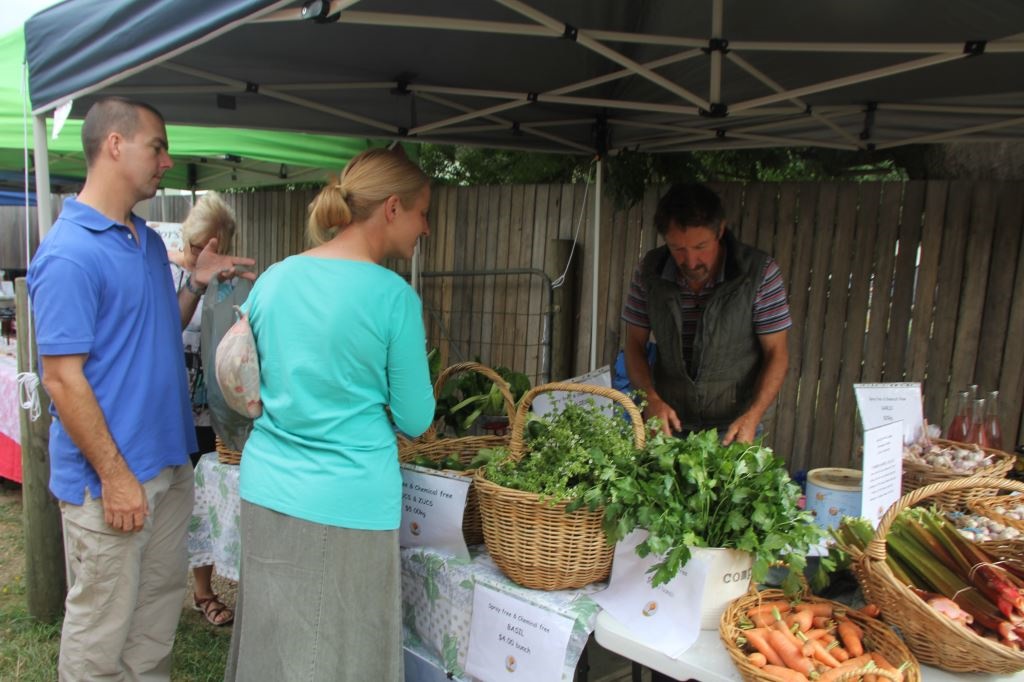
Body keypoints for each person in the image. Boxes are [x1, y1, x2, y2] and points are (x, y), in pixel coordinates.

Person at [27, 97, 254, 680]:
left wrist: (196, 287)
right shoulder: (69, 253)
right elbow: (61, 377)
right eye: (157, 145)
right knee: (101, 632)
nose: (166, 160)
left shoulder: (147, 243)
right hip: (113, 483)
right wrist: (115, 476)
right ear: (114, 145)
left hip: (168, 466)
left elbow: (157, 332)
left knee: (152, 626)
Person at [224, 148, 436, 682]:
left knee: (273, 651)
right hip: (351, 501)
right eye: (422, 213)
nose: (426, 228)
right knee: (344, 655)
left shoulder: (274, 278)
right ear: (392, 209)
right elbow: (416, 418)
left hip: (268, 487)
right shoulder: (395, 299)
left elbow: (248, 373)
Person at [621, 183, 791, 445]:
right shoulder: (649, 272)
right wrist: (651, 400)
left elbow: (776, 353)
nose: (690, 261)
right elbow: (633, 344)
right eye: (678, 249)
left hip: (734, 426)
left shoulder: (759, 274)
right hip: (667, 421)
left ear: (720, 230)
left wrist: (753, 414)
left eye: (700, 246)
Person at [171, 191, 239, 626]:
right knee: (172, 500)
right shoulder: (168, 274)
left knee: (205, 500)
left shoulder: (229, 284)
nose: (206, 255)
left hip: (212, 417)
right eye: (199, 247)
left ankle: (203, 590)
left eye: (216, 246)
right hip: (172, 412)